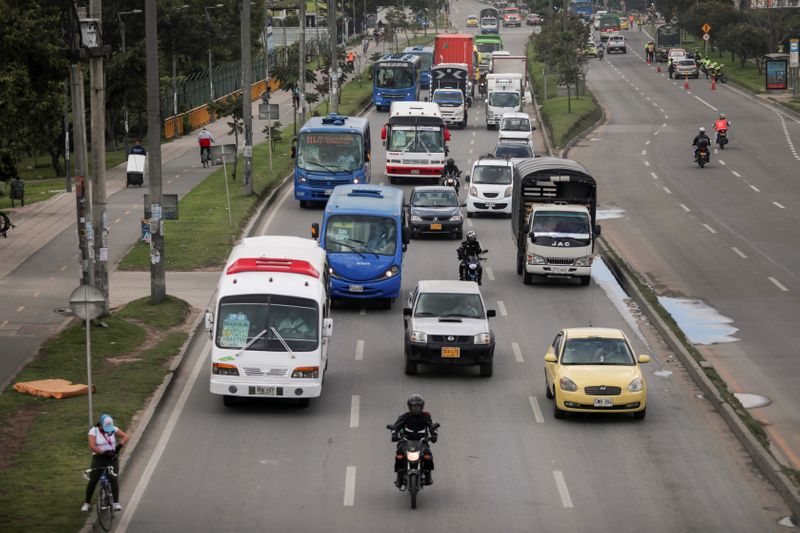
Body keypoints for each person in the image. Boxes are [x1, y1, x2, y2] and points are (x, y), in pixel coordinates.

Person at [82, 414, 129, 512]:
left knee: (113, 478)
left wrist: (118, 447)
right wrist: (104, 453)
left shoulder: (113, 429)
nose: (108, 430)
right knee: (93, 480)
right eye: (105, 427)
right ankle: (87, 502)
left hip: (112, 459)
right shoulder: (93, 431)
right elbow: (92, 446)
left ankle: (116, 503)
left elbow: (125, 436)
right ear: (100, 425)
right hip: (99, 458)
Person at [390, 395, 438, 487]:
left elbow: (432, 427)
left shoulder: (426, 416)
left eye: (418, 406)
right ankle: (399, 476)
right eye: (414, 406)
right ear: (410, 407)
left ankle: (428, 475)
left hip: (422, 441)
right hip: (405, 440)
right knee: (399, 453)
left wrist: (434, 435)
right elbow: (395, 427)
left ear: (422, 407)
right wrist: (394, 434)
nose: (416, 409)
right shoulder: (404, 416)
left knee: (428, 454)